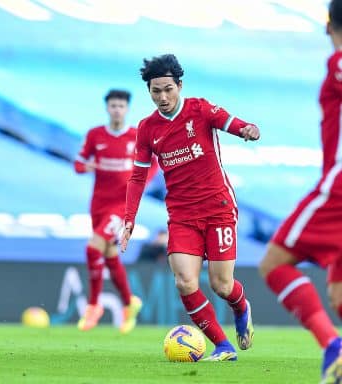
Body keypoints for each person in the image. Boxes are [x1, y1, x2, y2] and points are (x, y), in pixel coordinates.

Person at [120, 54, 260, 361]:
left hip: (218, 207)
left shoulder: (200, 109)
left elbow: (231, 122)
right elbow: (138, 176)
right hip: (182, 215)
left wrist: (247, 129)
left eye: (168, 89)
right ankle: (223, 347)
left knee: (222, 285)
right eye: (156, 91)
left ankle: (241, 307)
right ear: (149, 91)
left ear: (179, 86)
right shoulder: (147, 129)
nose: (163, 97)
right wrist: (129, 219)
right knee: (185, 281)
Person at [259, 1, 342, 381]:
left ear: (328, 25)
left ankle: (332, 346)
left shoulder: (337, 63)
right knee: (339, 298)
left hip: (338, 187)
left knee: (274, 263)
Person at [74, 89, 158, 334]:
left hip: (121, 206)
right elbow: (78, 163)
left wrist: (142, 182)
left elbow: (153, 163)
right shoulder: (95, 135)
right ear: (107, 108)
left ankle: (93, 305)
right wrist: (85, 166)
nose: (117, 110)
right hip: (99, 203)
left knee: (92, 248)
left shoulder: (136, 136)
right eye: (113, 106)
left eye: (121, 106)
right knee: (110, 255)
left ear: (127, 108)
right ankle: (129, 302)